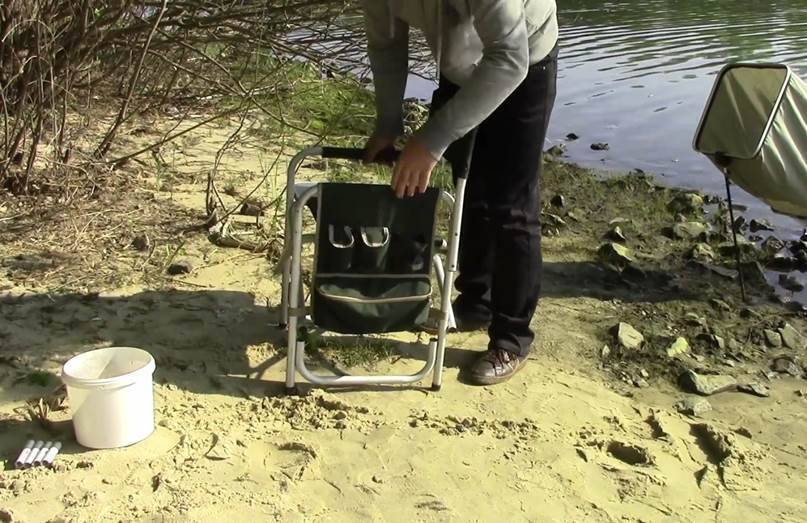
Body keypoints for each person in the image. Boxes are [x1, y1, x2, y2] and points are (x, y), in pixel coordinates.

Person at [361, 0, 558, 385]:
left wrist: (430, 141)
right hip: (462, 60)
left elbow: (509, 59)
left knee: (511, 205)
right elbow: (386, 43)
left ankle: (512, 339)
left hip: (524, 57)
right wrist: (388, 123)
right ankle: (474, 304)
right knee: (471, 189)